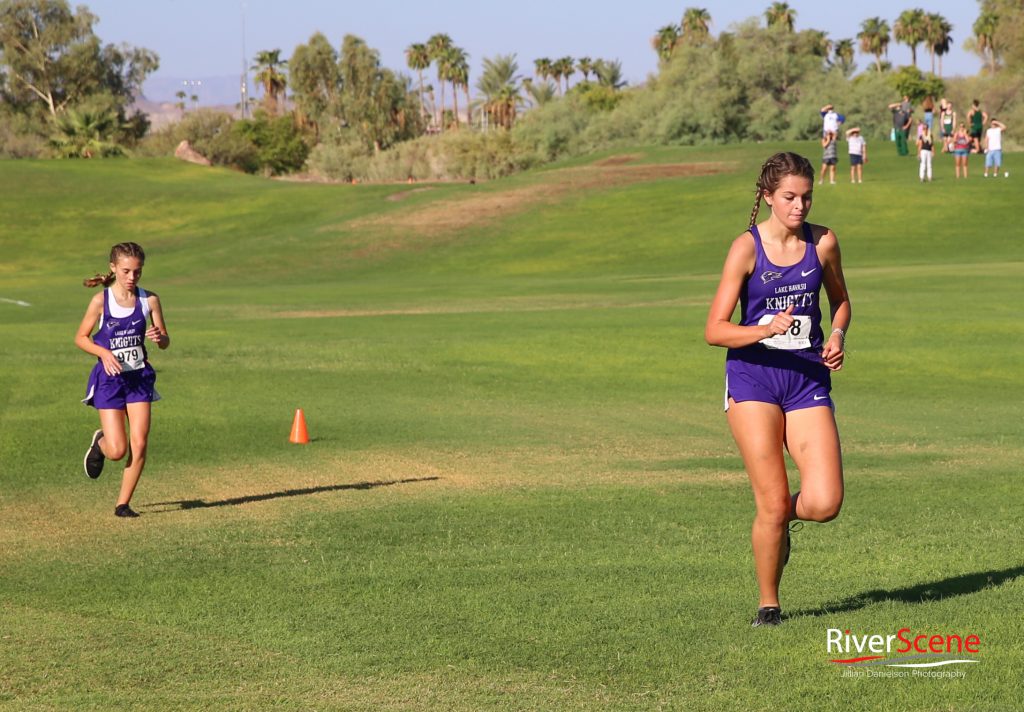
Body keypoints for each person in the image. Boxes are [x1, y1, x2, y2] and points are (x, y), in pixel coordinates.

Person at [705, 152, 852, 627]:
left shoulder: (823, 243)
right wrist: (764, 330)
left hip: (807, 377)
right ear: (768, 196)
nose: (800, 206)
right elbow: (715, 329)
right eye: (790, 197)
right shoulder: (746, 248)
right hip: (753, 379)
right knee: (770, 500)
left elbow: (841, 302)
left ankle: (777, 523)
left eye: (807, 196)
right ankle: (769, 604)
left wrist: (836, 336)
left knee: (825, 503)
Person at [76, 242, 170, 518]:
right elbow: (81, 337)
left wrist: (160, 338)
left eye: (137, 272)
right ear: (113, 268)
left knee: (139, 443)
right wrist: (103, 352)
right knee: (117, 450)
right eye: (127, 271)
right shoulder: (100, 301)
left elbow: (164, 340)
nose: (132, 277)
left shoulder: (149, 300)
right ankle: (101, 442)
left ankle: (122, 504)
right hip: (110, 380)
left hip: (139, 379)